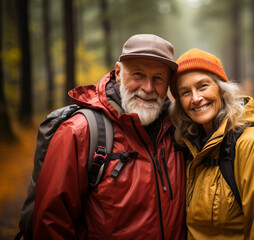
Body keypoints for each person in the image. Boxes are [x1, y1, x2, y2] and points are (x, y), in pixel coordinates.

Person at [33, 34, 186, 240]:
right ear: (118, 73)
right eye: (138, 75)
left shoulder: (177, 132)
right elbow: (51, 225)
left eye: (158, 78)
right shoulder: (80, 132)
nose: (148, 88)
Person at [169, 48, 254, 239]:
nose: (196, 98)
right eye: (185, 92)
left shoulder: (252, 144)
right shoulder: (189, 147)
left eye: (202, 86)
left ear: (221, 89)